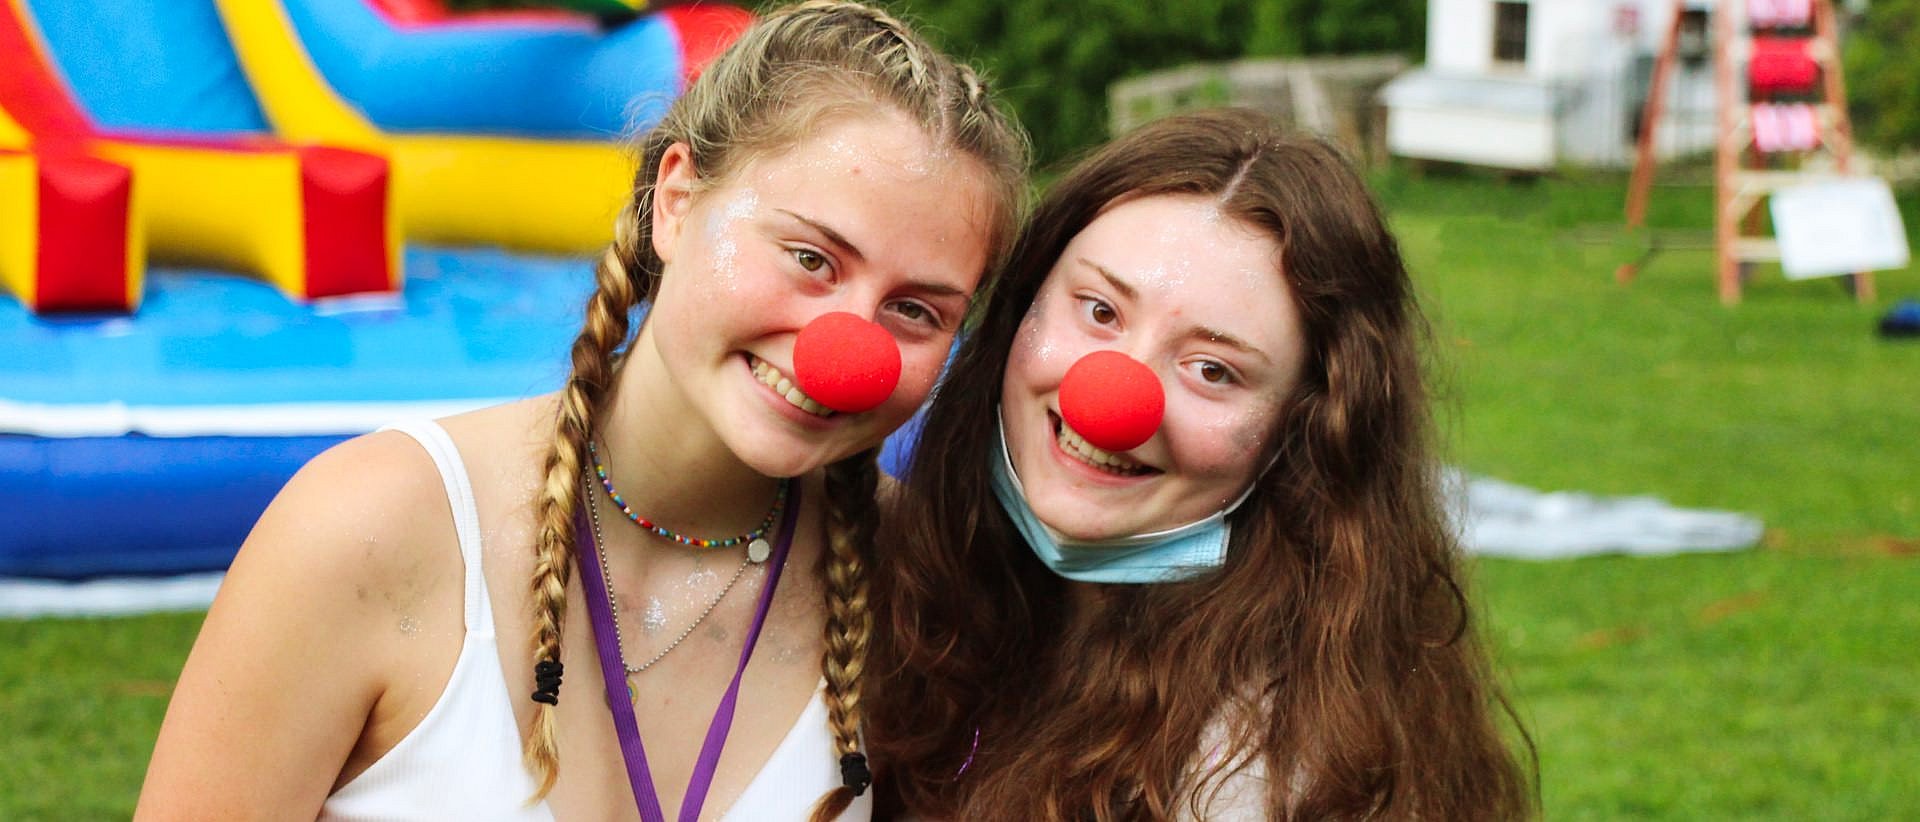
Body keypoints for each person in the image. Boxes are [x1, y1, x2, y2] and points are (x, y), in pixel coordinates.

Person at [136, 3, 1027, 820]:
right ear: (676, 201)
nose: (849, 354)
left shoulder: (924, 589)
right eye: (809, 257)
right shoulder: (368, 530)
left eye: (916, 311)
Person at [869, 108, 1534, 820]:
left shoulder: (1259, 776)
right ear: (1019, 308)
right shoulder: (918, 572)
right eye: (1098, 311)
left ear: (1306, 432)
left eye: (1213, 370)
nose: (1111, 400)